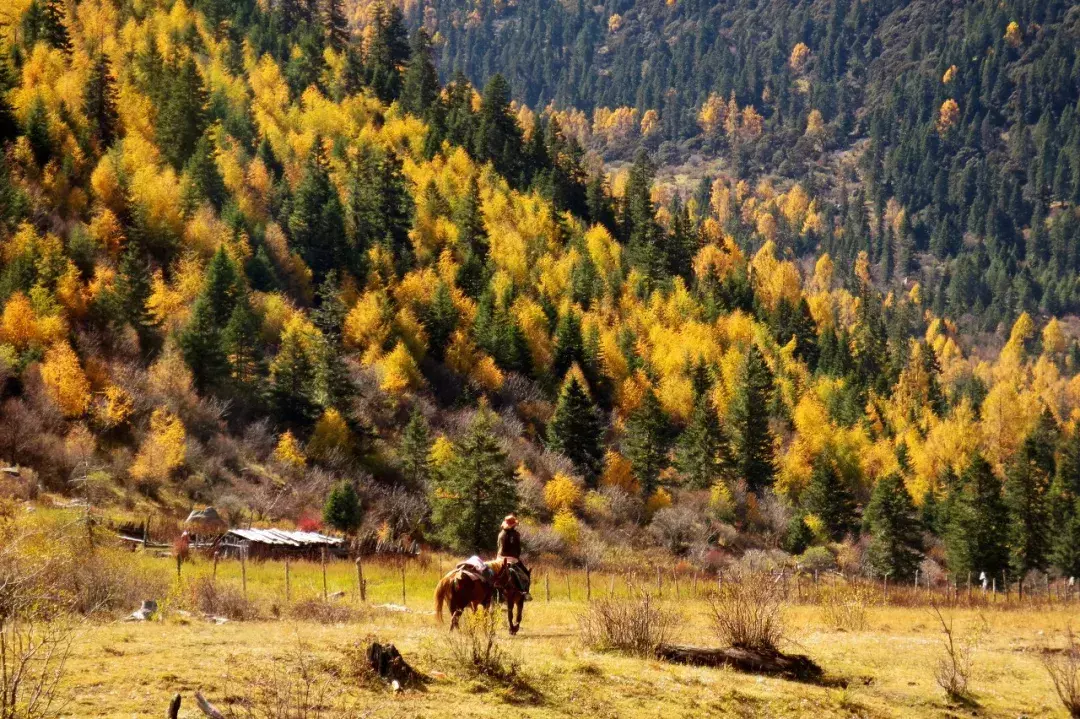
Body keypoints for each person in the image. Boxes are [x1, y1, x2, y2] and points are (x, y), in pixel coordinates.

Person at [496, 514, 531, 599]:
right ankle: (524, 592)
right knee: (525, 574)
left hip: (499, 558)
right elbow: (517, 548)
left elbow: (498, 545)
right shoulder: (516, 535)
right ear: (513, 526)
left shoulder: (500, 534)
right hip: (512, 559)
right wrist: (517, 555)